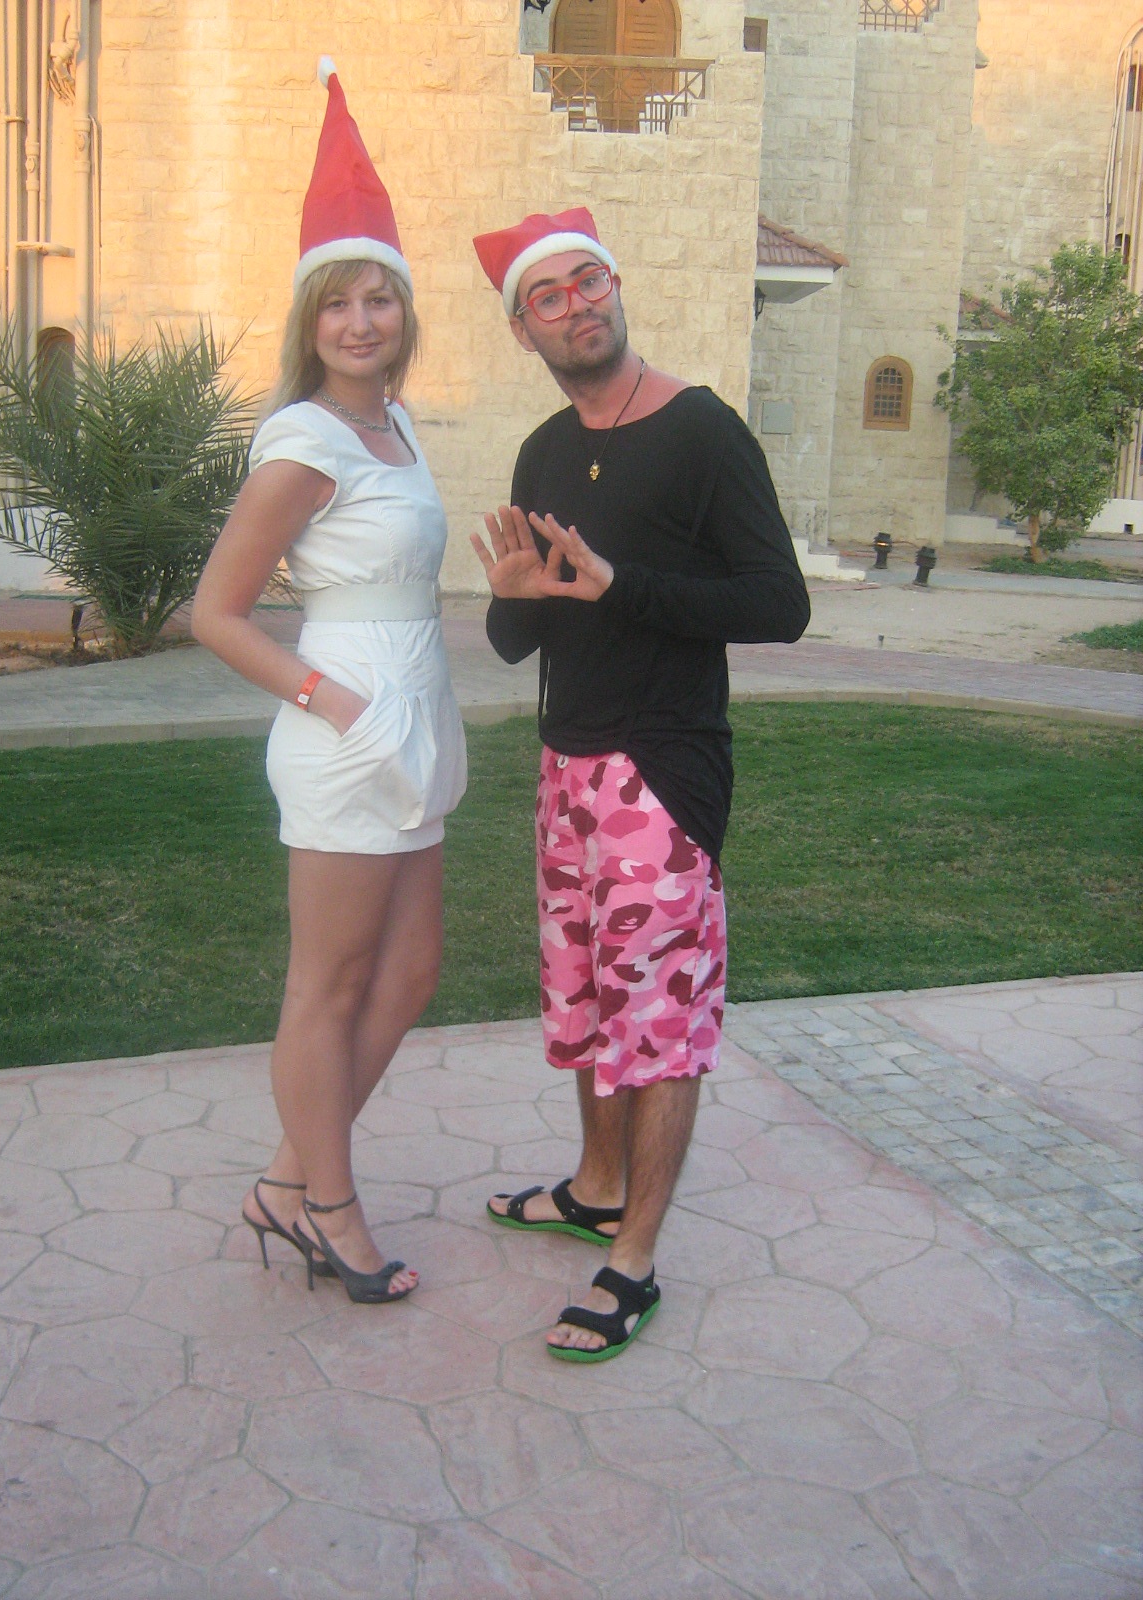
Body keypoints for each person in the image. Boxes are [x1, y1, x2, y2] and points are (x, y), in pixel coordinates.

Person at [470, 208, 810, 1359]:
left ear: (617, 286)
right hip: (565, 766)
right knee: (582, 1001)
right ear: (523, 329)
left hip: (662, 772)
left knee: (657, 1024)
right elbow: (518, 636)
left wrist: (626, 585)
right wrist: (516, 595)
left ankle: (634, 1260)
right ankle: (596, 1185)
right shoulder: (543, 451)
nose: (577, 304)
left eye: (589, 280)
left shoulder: (703, 430)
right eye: (548, 296)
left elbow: (779, 604)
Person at [192, 59, 466, 1304]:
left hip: (416, 719)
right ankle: (330, 1207)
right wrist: (336, 706)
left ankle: (285, 1179)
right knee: (331, 983)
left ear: (405, 311)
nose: (362, 321)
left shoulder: (395, 429)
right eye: (339, 303)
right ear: (309, 322)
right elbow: (217, 612)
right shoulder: (303, 440)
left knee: (408, 977)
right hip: (346, 725)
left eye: (381, 298)